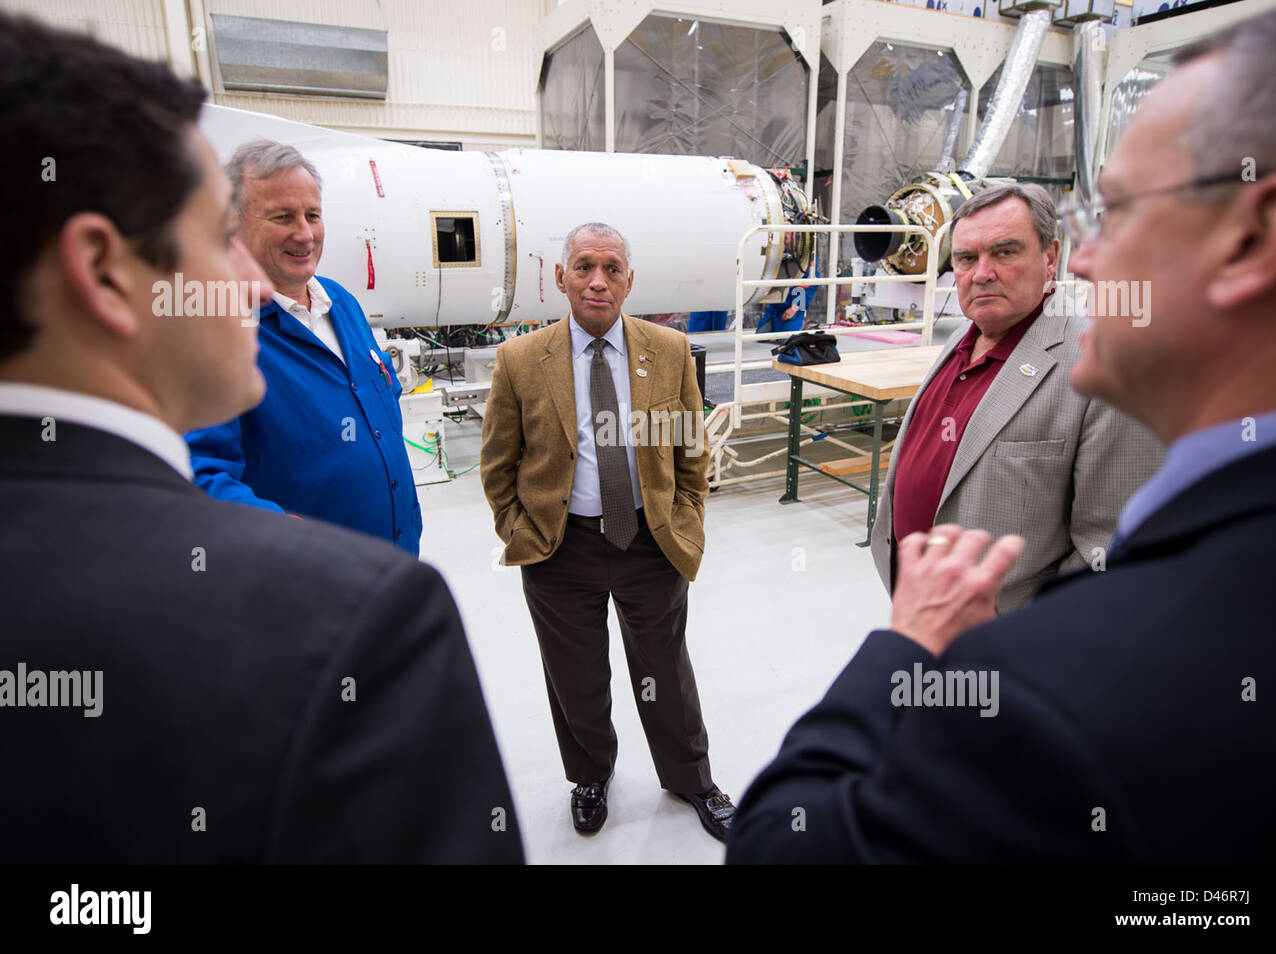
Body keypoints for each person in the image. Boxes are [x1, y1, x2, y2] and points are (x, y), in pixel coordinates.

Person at [727, 1, 1276, 863]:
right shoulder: (959, 350)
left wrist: (918, 648)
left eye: (1119, 213)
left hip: (978, 654)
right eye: (964, 259)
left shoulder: (1099, 379)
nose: (1095, 256)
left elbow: (782, 848)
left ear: (1257, 234)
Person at [0, 12, 521, 864]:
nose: (263, 264)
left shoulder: (343, 306)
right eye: (227, 235)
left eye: (313, 216)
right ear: (100, 271)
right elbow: (210, 481)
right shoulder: (367, 619)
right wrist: (321, 578)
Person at [480, 222, 735, 841]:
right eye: (585, 266)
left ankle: (692, 779)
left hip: (650, 542)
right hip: (559, 547)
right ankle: (590, 776)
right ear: (561, 276)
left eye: (612, 268)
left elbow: (689, 450)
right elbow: (498, 461)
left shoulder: (668, 350)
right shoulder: (521, 359)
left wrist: (688, 517)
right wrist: (521, 526)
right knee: (575, 672)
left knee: (665, 668)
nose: (598, 280)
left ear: (629, 281)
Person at [870, 183, 1162, 611]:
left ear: (1050, 258)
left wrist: (1023, 637)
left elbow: (1109, 547)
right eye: (967, 258)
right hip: (918, 610)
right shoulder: (962, 339)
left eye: (1005, 252)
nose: (981, 273)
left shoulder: (1106, 370)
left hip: (1003, 638)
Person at [185, 139, 422, 555]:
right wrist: (290, 540)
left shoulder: (340, 302)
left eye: (313, 215)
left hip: (393, 561)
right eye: (283, 217)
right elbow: (199, 478)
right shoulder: (214, 329)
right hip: (307, 584)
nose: (305, 233)